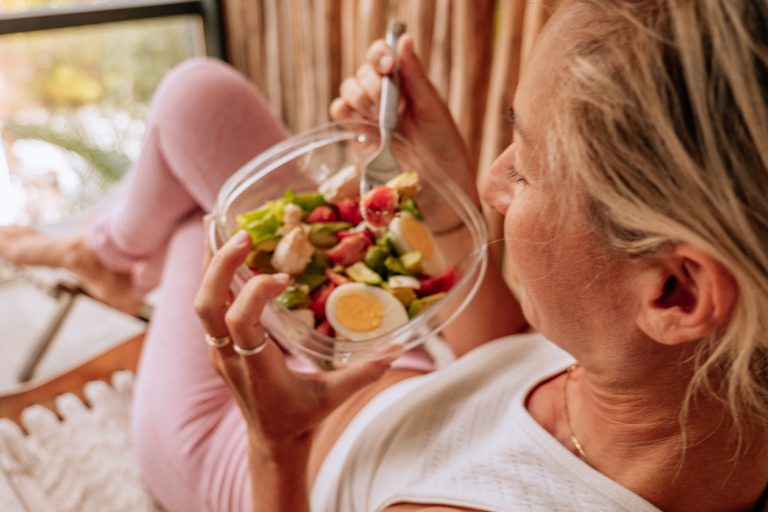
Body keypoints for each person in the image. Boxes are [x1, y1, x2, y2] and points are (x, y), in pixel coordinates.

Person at [1, 0, 766, 510]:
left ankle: (100, 253)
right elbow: (507, 362)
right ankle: (104, 251)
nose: (493, 181)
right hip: (393, 364)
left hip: (237, 445)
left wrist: (278, 443)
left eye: (524, 167)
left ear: (675, 291)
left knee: (191, 223)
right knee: (198, 100)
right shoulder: (686, 382)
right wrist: (441, 192)